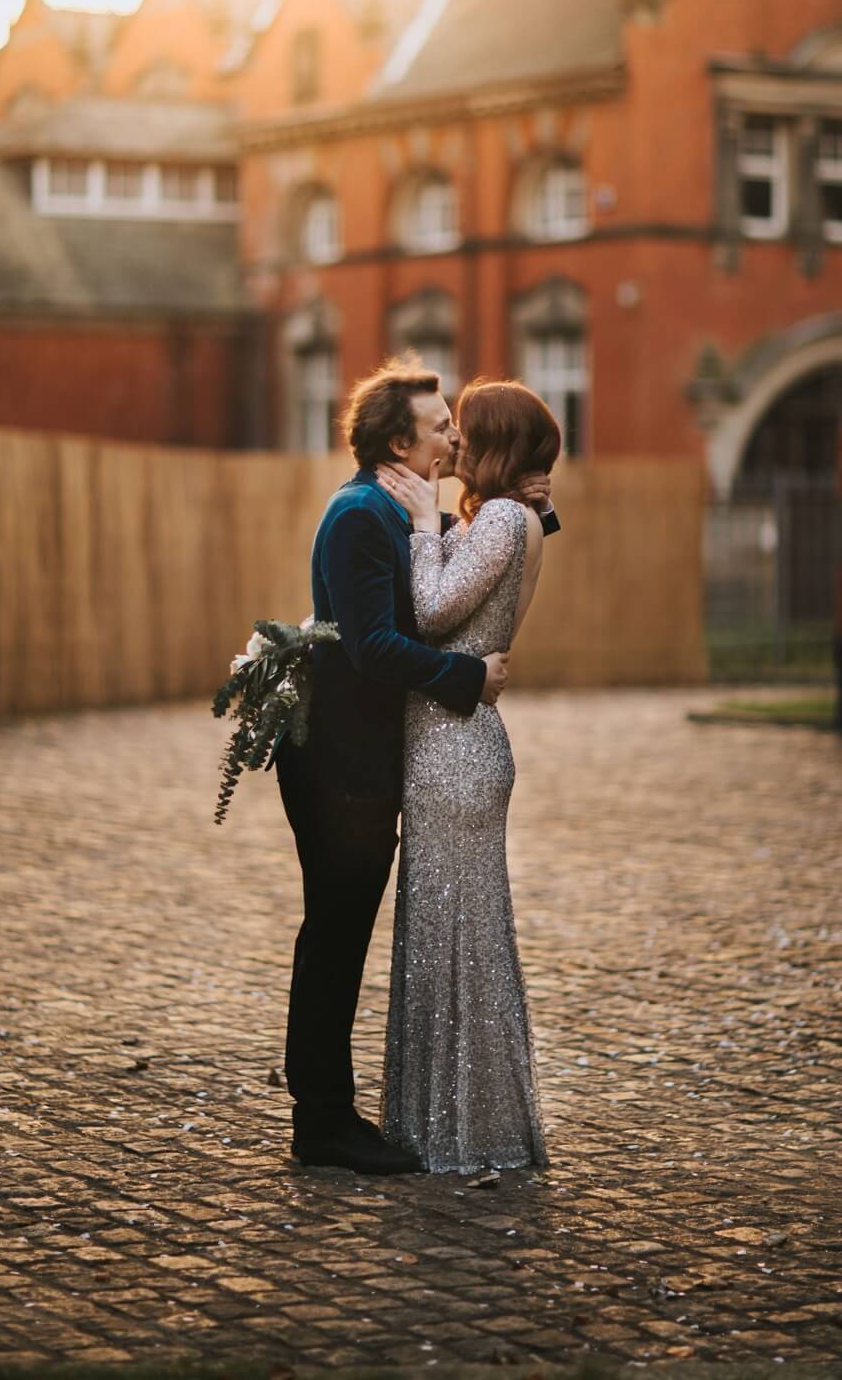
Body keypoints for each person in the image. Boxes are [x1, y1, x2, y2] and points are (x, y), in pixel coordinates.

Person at [273, 359, 556, 1174]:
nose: (454, 435)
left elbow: (483, 558)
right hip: (344, 763)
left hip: (382, 759)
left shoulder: (395, 512)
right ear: (400, 440)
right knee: (334, 934)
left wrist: (532, 502)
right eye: (440, 427)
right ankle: (322, 1121)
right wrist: (469, 677)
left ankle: (330, 1112)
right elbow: (373, 644)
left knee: (343, 931)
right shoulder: (366, 515)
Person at [375, 379, 558, 1174]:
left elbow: (433, 611)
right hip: (449, 743)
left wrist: (421, 526)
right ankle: (442, 1124)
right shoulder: (508, 518)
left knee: (463, 946)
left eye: (463, 432)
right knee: (445, 941)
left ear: (493, 447)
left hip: (455, 749)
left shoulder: (508, 521)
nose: (450, 441)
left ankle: (470, 1133)